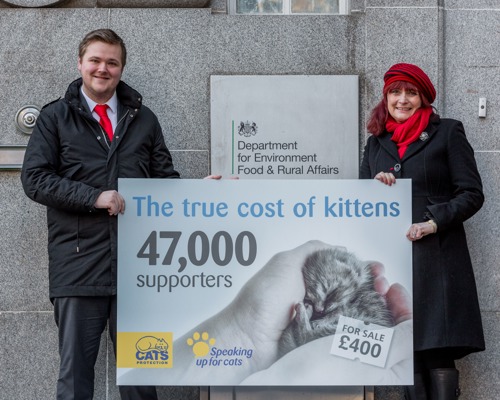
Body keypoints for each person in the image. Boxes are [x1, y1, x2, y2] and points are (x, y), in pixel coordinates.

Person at [21, 28, 185, 400]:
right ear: (80, 63)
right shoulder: (55, 118)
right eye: (95, 60)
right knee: (75, 379)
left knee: (141, 378)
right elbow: (34, 180)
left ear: (122, 69)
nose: (102, 68)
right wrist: (95, 197)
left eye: (112, 62)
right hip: (78, 267)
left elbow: (165, 184)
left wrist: (201, 194)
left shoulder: (144, 119)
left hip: (138, 269)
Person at [360, 63, 485, 399]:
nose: (402, 100)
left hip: (438, 260)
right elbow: (357, 206)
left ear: (423, 97)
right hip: (396, 263)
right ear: (385, 98)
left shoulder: (447, 132)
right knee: (405, 354)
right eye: (395, 92)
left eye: (411, 93)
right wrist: (374, 188)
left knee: (437, 352)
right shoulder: (375, 145)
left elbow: (472, 193)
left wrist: (433, 221)